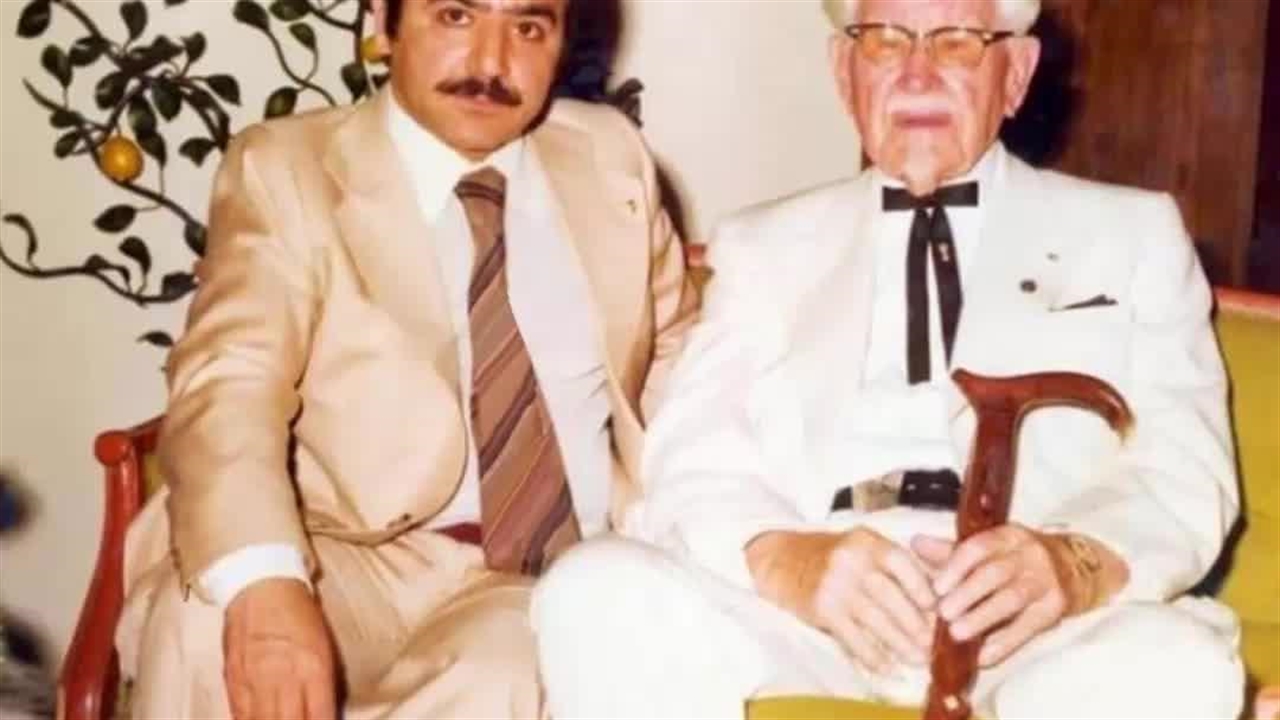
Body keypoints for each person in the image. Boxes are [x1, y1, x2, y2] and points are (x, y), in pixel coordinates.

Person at [531, 0, 1245, 718]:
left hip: (1038, 628)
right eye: (885, 42)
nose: (917, 74)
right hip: (811, 615)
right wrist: (791, 561)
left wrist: (1070, 563)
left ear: (1016, 75)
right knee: (595, 589)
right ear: (844, 74)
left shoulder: (1133, 235)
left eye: (957, 43)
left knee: (1176, 666)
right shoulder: (761, 246)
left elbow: (1183, 465)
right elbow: (691, 455)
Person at [114, 0, 697, 717]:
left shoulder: (609, 159)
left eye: (528, 28)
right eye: (456, 16)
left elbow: (682, 363)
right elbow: (230, 382)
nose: (491, 63)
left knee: (509, 670)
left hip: (539, 572)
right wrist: (264, 582)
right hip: (345, 550)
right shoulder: (290, 167)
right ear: (380, 26)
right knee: (206, 617)